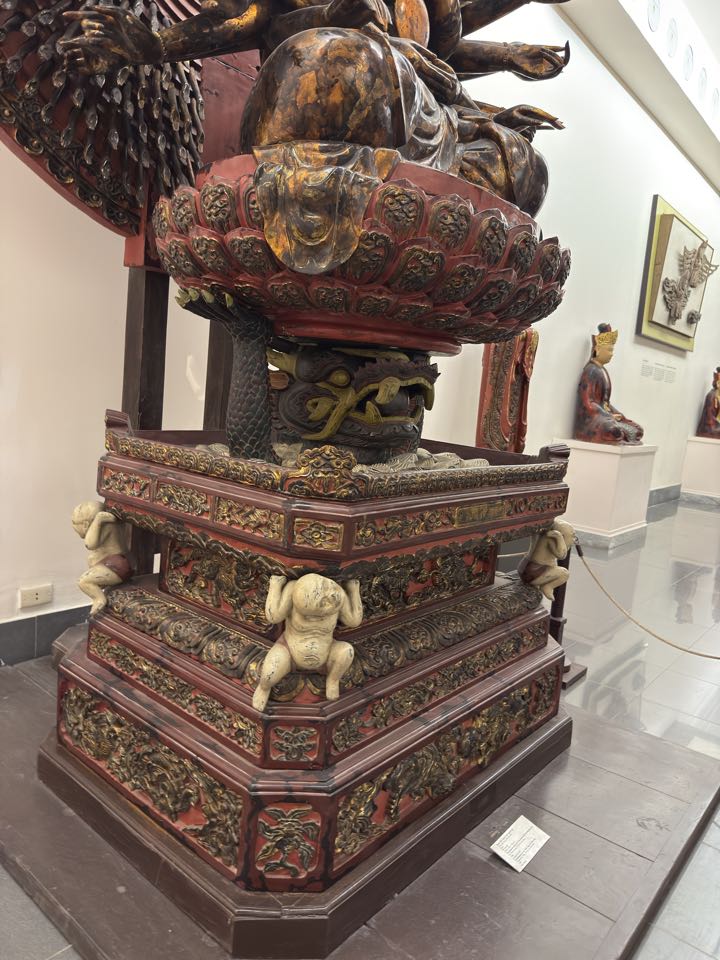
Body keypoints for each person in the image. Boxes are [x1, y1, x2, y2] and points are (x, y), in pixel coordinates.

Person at [60, 0, 570, 216]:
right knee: (353, 58)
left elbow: (439, 62)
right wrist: (155, 45)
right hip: (325, 84)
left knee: (523, 166)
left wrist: (508, 60)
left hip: (419, 109)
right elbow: (251, 17)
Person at [573, 324, 644, 445]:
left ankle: (621, 432)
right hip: (592, 419)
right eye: (609, 350)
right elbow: (588, 403)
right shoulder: (590, 371)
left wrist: (618, 415)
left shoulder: (602, 371)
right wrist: (608, 415)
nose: (612, 354)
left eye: (612, 350)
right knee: (613, 431)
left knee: (638, 430)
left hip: (605, 416)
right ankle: (617, 433)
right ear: (598, 349)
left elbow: (606, 403)